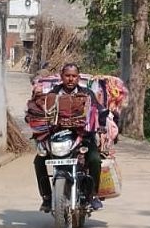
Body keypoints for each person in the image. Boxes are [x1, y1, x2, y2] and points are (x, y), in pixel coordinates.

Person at [34, 63, 106, 213]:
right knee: (39, 160)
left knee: (95, 159)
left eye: (74, 76)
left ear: (78, 78)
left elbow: (97, 110)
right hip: (58, 137)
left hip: (82, 137)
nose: (70, 79)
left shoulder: (87, 93)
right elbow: (42, 110)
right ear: (62, 77)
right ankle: (47, 197)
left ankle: (93, 195)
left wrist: (101, 123)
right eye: (67, 76)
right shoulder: (53, 94)